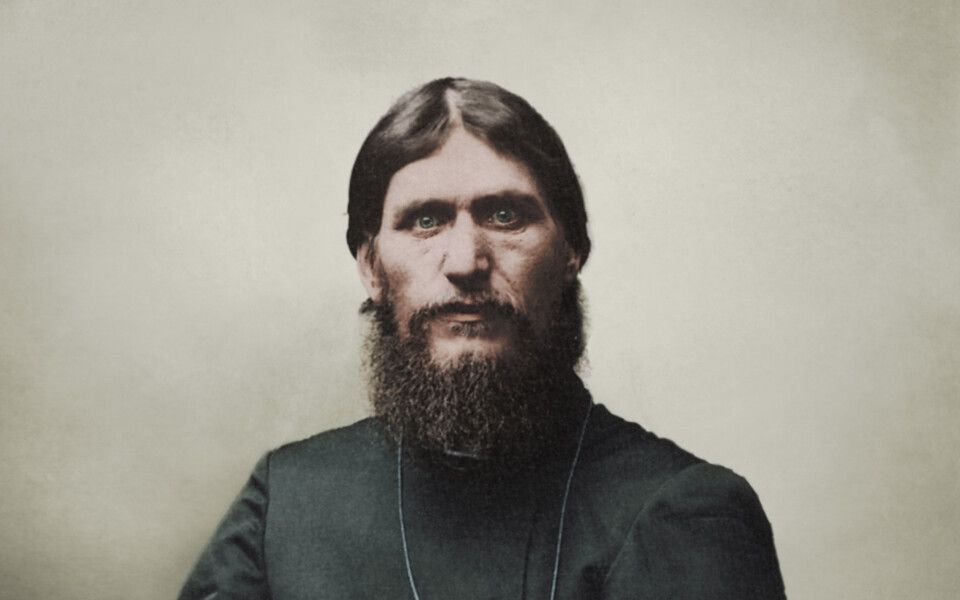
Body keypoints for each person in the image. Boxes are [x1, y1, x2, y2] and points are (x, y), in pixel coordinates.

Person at [179, 77, 786, 599]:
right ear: (370, 267)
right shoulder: (288, 503)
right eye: (425, 220)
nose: (466, 261)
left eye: (504, 216)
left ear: (571, 251)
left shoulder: (682, 511)